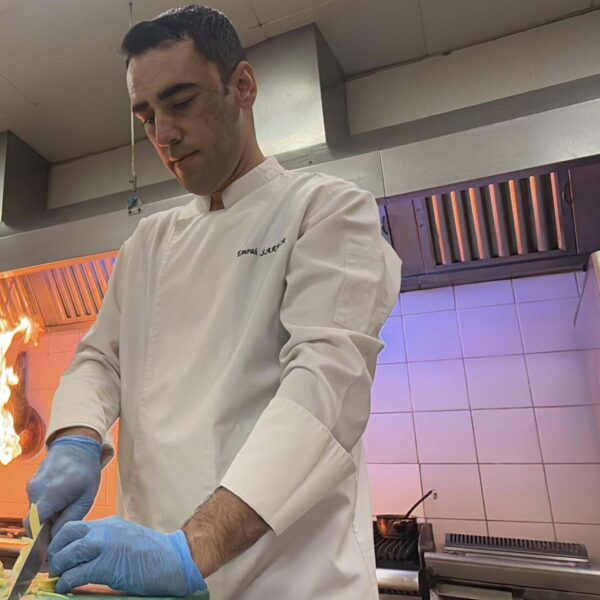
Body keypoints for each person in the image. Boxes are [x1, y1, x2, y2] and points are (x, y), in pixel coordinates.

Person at [26, 5, 401, 599]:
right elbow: (100, 359)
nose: (163, 135)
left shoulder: (326, 210)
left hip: (289, 588)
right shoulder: (148, 242)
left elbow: (326, 393)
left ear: (242, 86)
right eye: (146, 116)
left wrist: (189, 550)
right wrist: (75, 438)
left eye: (180, 102)